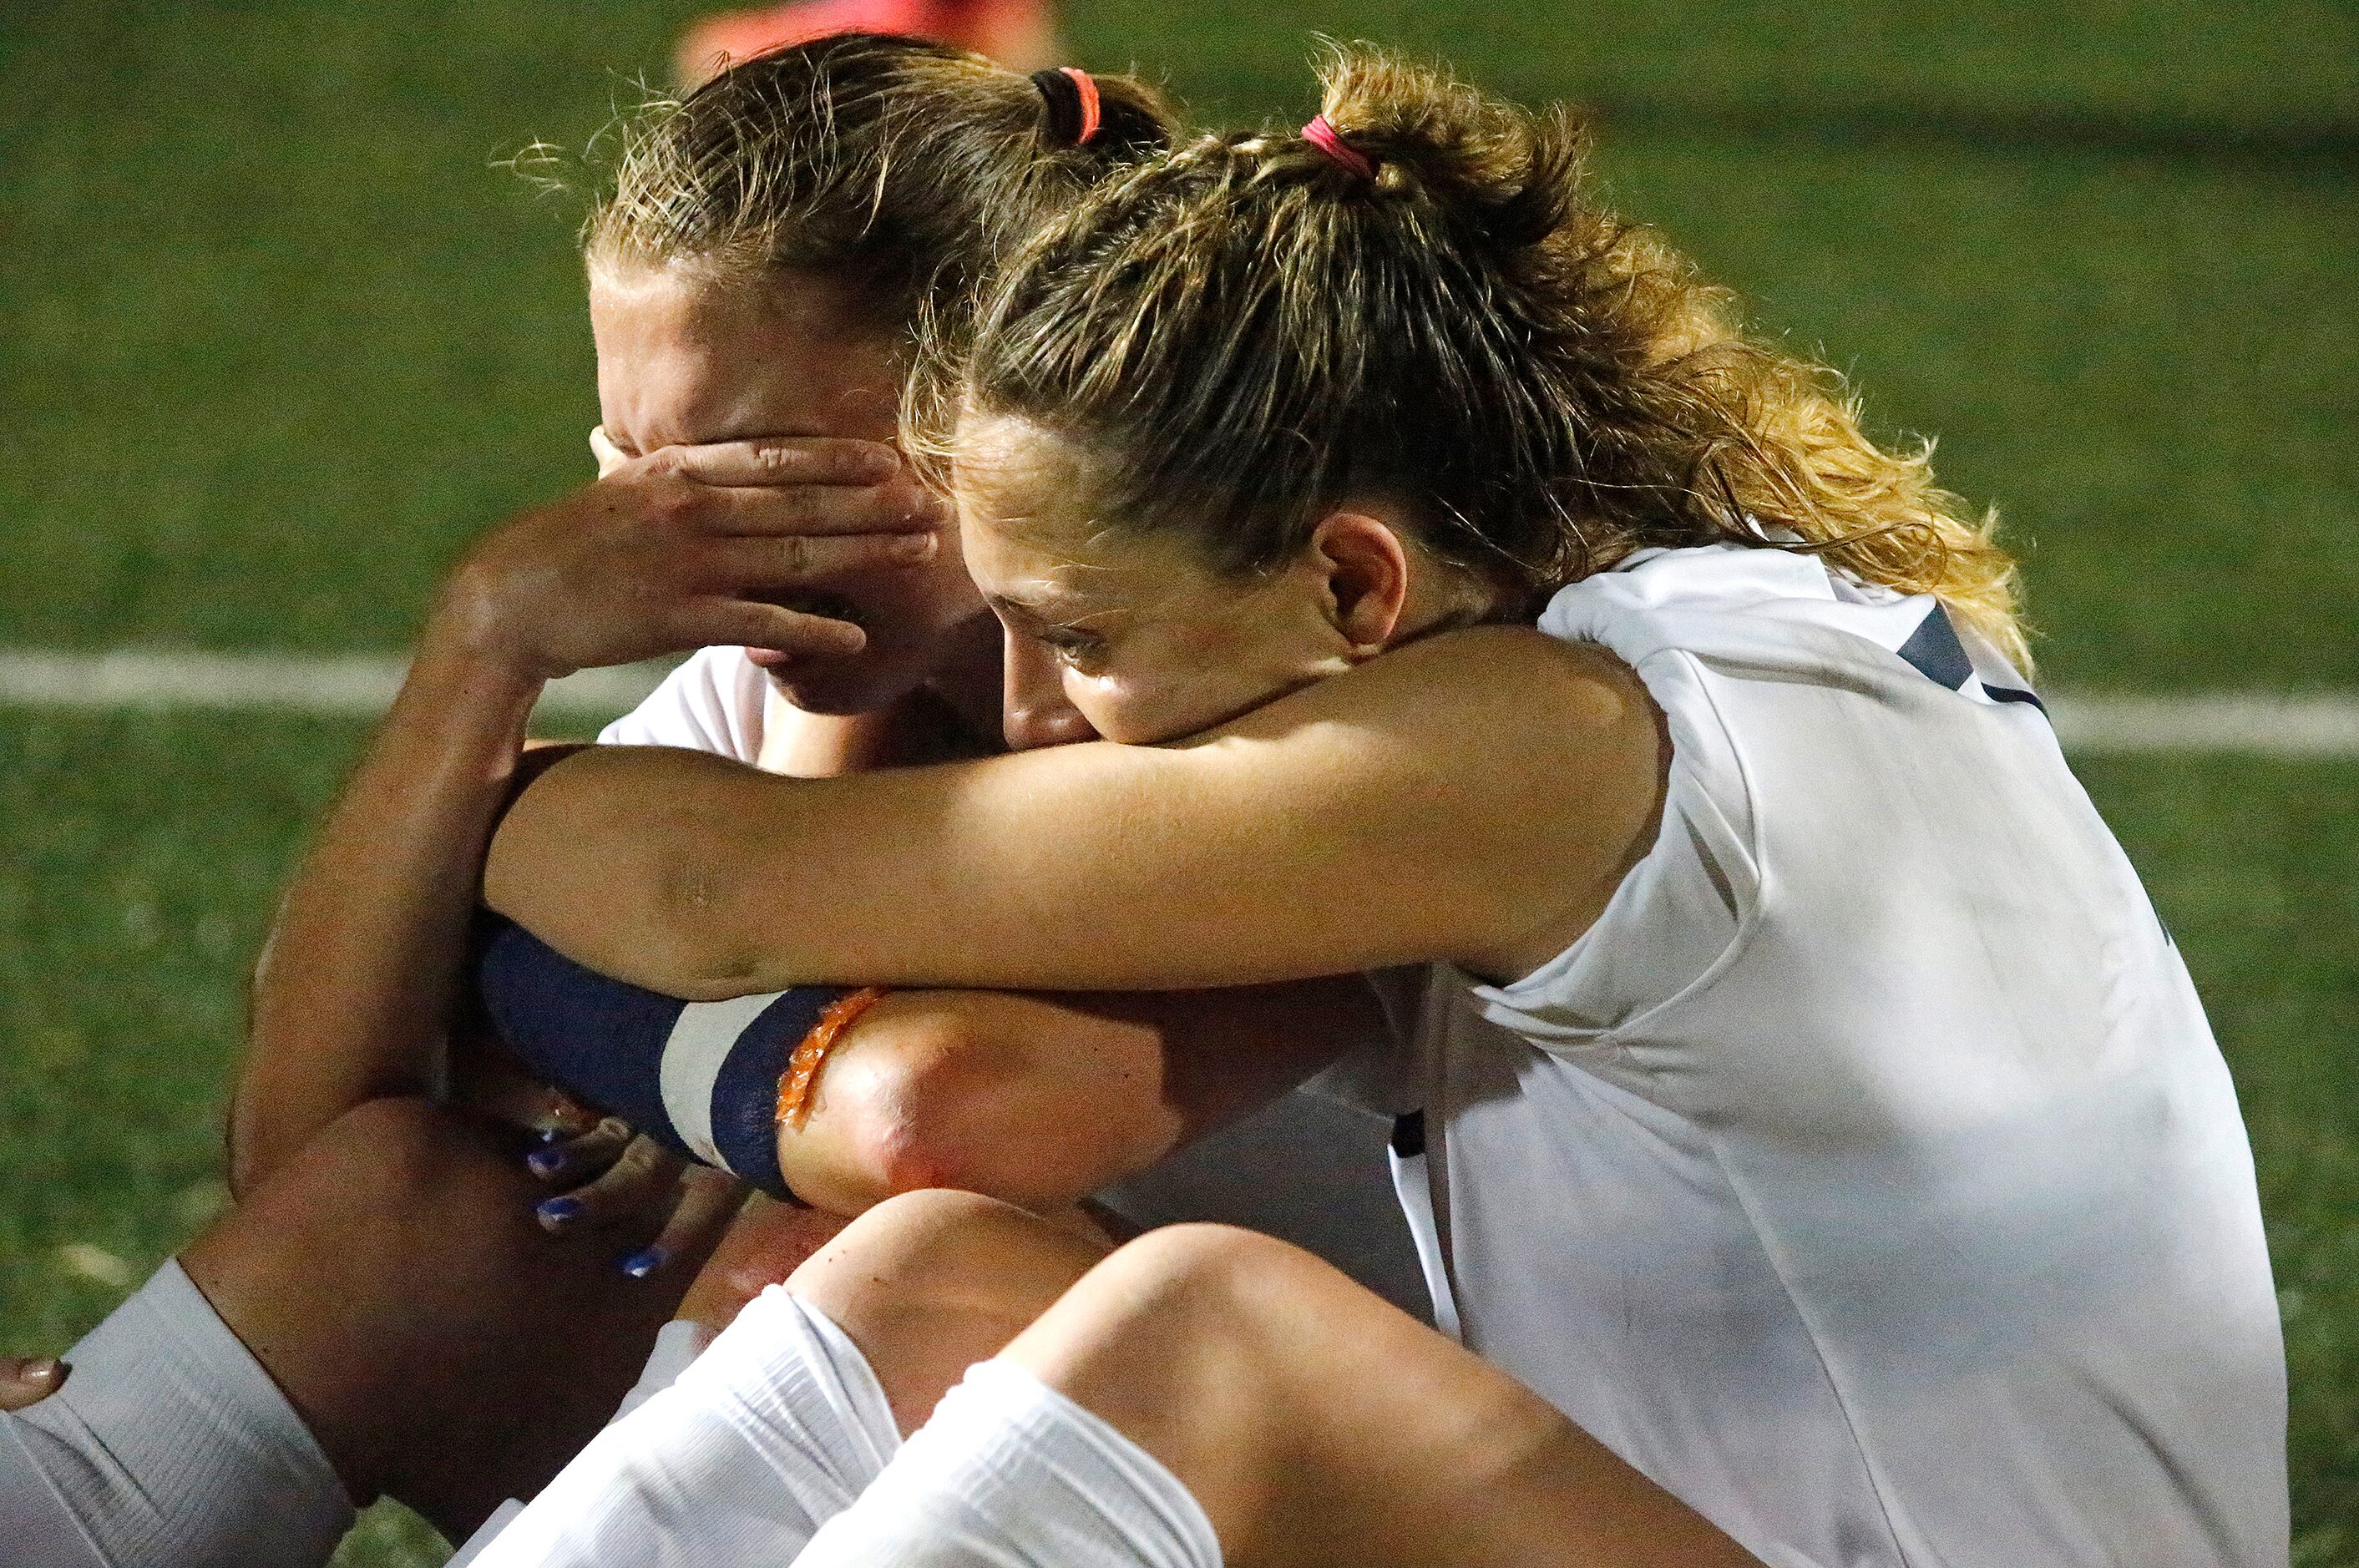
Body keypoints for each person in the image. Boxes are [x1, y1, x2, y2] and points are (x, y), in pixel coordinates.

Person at [480, 47, 2289, 1567]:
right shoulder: (1664, 630)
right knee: (952, 1275)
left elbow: (702, 885)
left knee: (1207, 1329)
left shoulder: (1542, 742)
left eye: (1085, 633)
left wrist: (491, 757)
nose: (1046, 704)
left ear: (1353, 584)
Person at [2, 34, 1406, 1568]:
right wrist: (484, 647)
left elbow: (928, 1129)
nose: (657, 535)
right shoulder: (800, 660)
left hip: (1371, 1482)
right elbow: (313, 1167)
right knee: (395, 1225)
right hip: (1033, 1417)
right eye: (629, 461)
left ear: (1005, 403)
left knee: (858, 1250)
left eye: (750, 469)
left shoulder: (1245, 675)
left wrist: (686, 1056)